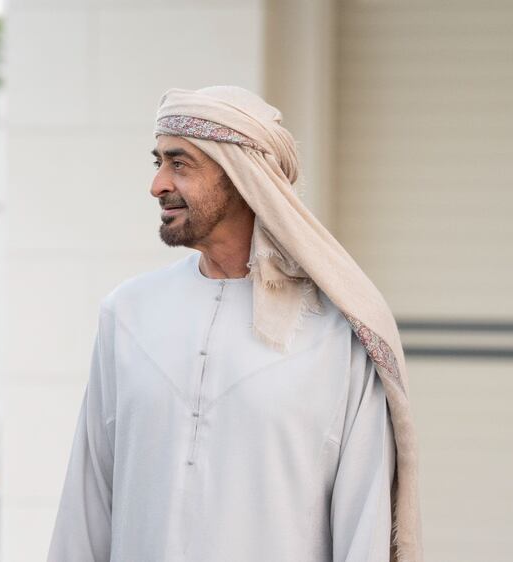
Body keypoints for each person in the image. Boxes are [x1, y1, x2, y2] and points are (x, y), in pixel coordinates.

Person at [47, 86, 422, 562]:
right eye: (158, 162)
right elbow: (87, 503)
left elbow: (365, 523)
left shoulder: (337, 330)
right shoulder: (127, 314)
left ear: (244, 177)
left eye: (179, 164)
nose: (158, 184)